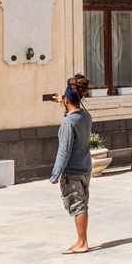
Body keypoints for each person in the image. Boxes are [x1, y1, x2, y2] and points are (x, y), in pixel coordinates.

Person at [49, 85, 93, 253]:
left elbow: (64, 150)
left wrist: (55, 173)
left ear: (67, 100)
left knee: (78, 206)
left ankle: (82, 242)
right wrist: (65, 106)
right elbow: (74, 117)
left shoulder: (68, 122)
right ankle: (82, 240)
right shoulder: (86, 116)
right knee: (83, 204)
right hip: (85, 167)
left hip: (73, 171)